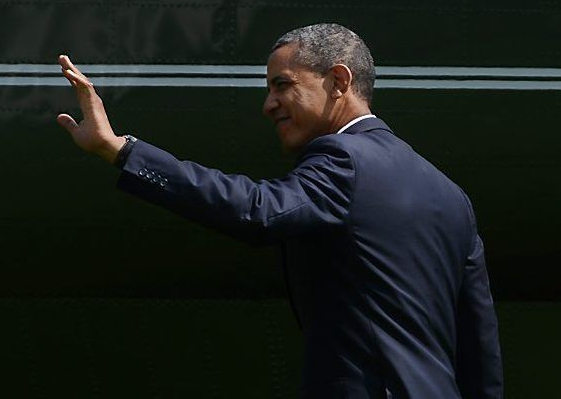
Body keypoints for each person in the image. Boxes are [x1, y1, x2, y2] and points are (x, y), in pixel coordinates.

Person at [57, 23, 503, 399]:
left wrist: (119, 151)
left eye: (282, 85)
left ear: (339, 81)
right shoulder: (450, 195)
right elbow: (480, 344)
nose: (268, 104)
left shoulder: (344, 161)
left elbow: (259, 211)